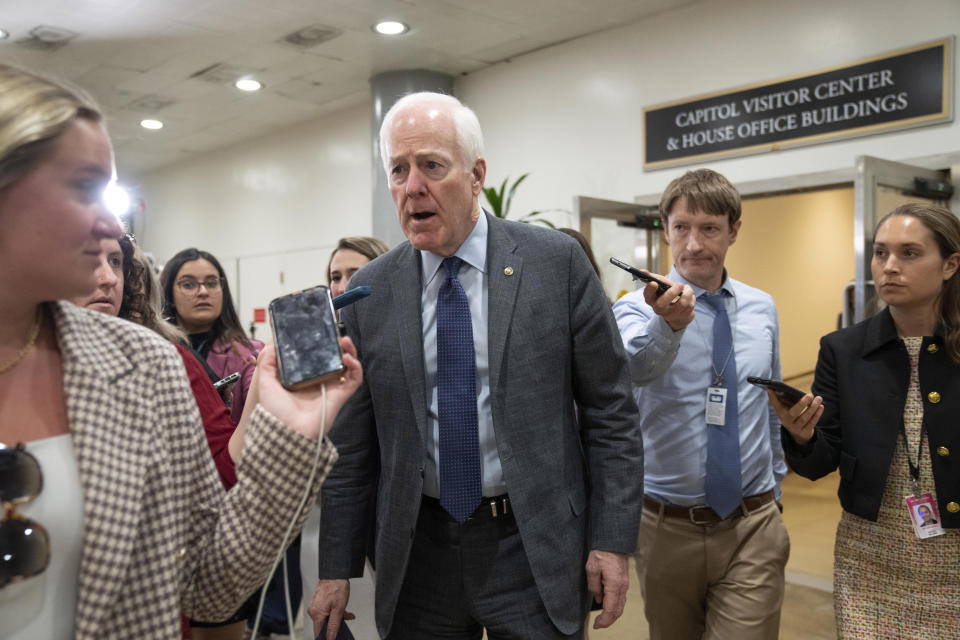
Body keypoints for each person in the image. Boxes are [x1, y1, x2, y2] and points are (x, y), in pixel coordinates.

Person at [0, 62, 361, 639]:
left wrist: (289, 434)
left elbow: (207, 584)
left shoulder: (145, 366)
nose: (109, 223)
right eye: (82, 187)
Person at [307, 92, 642, 640]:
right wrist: (334, 569)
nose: (412, 186)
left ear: (475, 174)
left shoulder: (554, 264)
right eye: (398, 169)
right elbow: (355, 445)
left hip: (532, 546)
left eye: (432, 166)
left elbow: (611, 412)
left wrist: (611, 539)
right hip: (420, 555)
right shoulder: (373, 291)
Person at [613, 168, 789, 640]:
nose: (694, 245)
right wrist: (667, 326)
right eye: (682, 228)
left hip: (752, 523)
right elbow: (636, 371)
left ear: (733, 231)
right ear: (665, 230)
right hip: (666, 527)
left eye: (709, 228)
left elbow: (768, 405)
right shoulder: (634, 308)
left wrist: (776, 489)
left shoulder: (761, 308)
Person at [776, 202, 960, 639]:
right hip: (870, 557)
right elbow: (821, 460)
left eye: (909, 254)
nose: (889, 267)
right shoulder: (843, 349)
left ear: (950, 264)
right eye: (881, 253)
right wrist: (802, 437)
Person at [301, 236, 389, 640]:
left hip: (394, 515)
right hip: (328, 513)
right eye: (335, 277)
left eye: (356, 274)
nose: (342, 286)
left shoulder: (406, 343)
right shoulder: (320, 349)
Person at [160, 248, 263, 423]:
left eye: (211, 283)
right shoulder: (156, 351)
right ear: (168, 295)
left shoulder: (249, 353)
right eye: (188, 284)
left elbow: (263, 412)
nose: (203, 292)